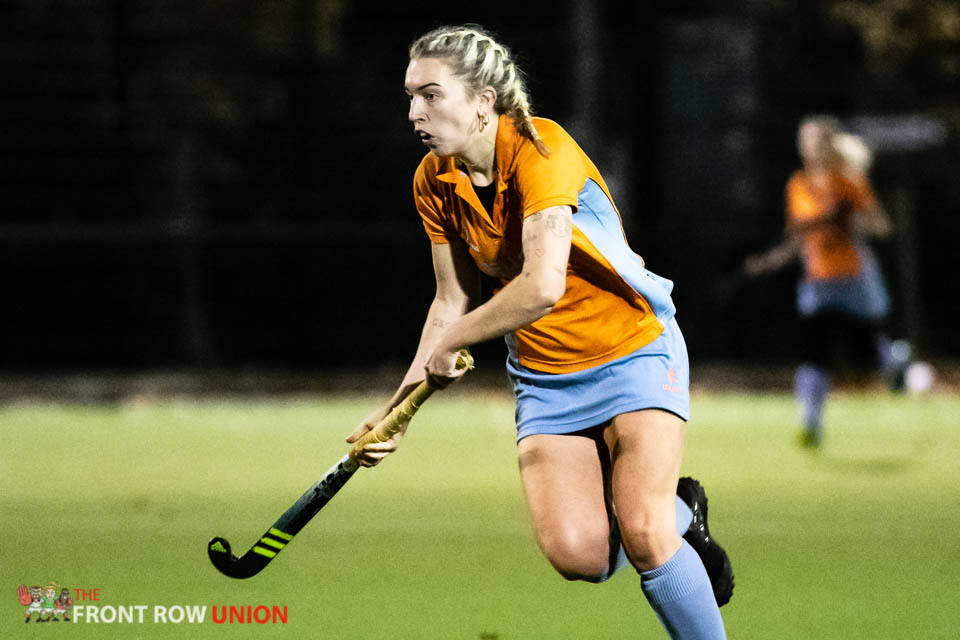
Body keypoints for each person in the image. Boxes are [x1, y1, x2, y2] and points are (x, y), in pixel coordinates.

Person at [347, 24, 731, 639]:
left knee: (643, 532)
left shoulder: (541, 149)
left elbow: (542, 284)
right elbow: (451, 301)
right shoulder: (433, 180)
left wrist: (455, 341)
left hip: (634, 349)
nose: (415, 113)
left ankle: (664, 523)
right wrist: (396, 412)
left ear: (483, 101)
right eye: (411, 97)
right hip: (546, 378)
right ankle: (683, 512)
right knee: (580, 555)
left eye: (431, 95)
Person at [744, 115, 909, 448]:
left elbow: (880, 226)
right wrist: (769, 261)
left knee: (864, 352)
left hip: (853, 281)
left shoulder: (848, 183)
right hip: (817, 284)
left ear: (830, 145)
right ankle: (810, 422)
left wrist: (854, 218)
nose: (810, 147)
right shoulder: (798, 185)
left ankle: (895, 360)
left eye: (817, 141)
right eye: (805, 141)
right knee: (813, 352)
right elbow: (798, 239)